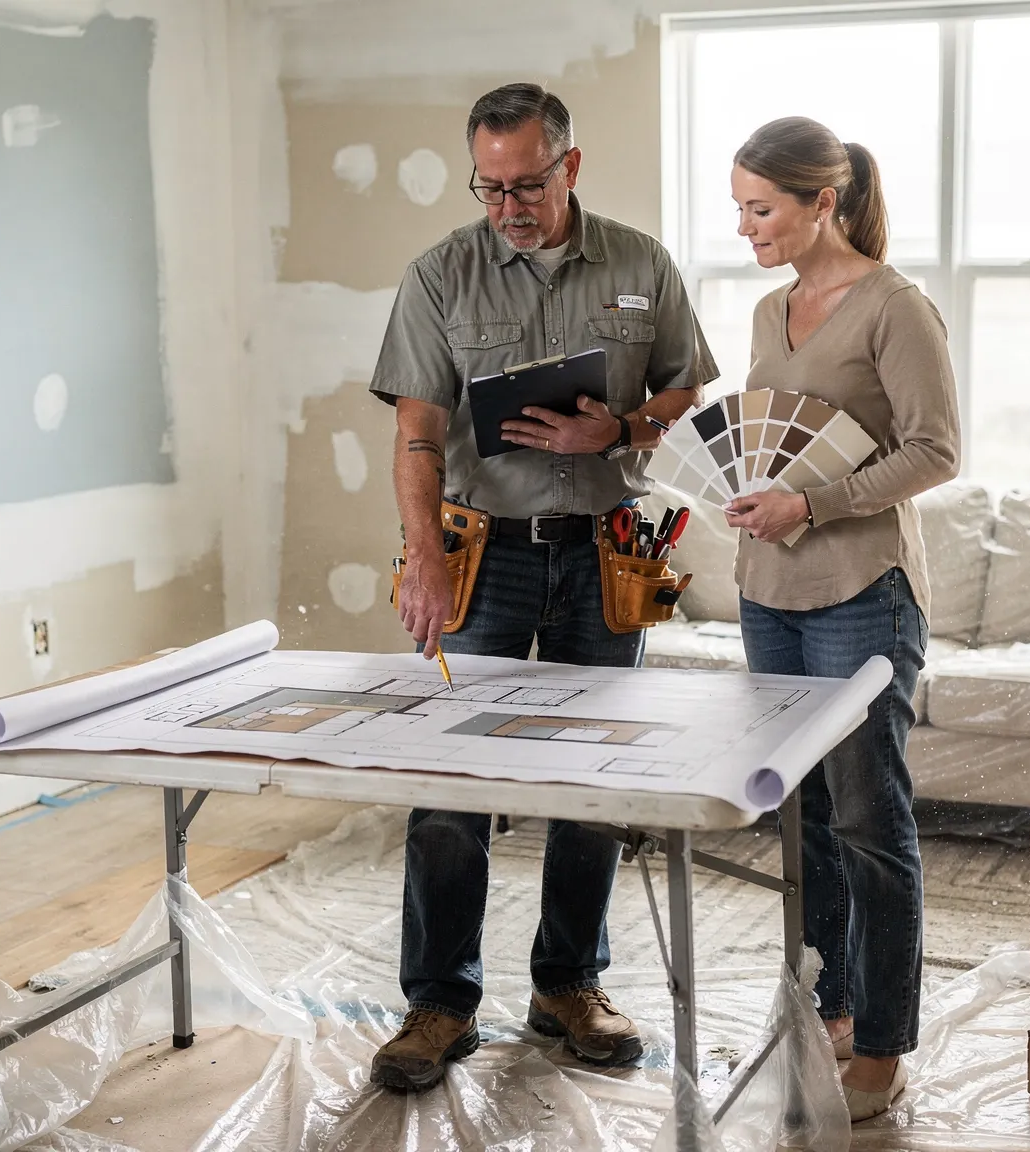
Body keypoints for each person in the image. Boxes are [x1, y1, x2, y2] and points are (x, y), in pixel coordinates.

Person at [366, 82, 716, 1092]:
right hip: (483, 555)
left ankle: (568, 985)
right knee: (445, 783)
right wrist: (424, 555)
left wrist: (623, 429)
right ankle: (437, 1003)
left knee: (593, 785)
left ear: (569, 164)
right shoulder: (440, 275)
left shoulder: (641, 263)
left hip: (607, 555)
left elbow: (687, 388)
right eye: (489, 186)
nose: (507, 205)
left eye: (526, 183)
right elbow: (416, 433)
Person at [721, 117, 959, 1122]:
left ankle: (883, 1048)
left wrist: (810, 505)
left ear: (824, 201)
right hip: (764, 594)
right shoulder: (769, 311)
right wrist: (746, 488)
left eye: (761, 208)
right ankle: (833, 1004)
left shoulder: (895, 309)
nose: (745, 228)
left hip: (858, 596)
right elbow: (773, 437)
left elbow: (935, 451)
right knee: (803, 821)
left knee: (868, 822)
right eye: (737, 210)